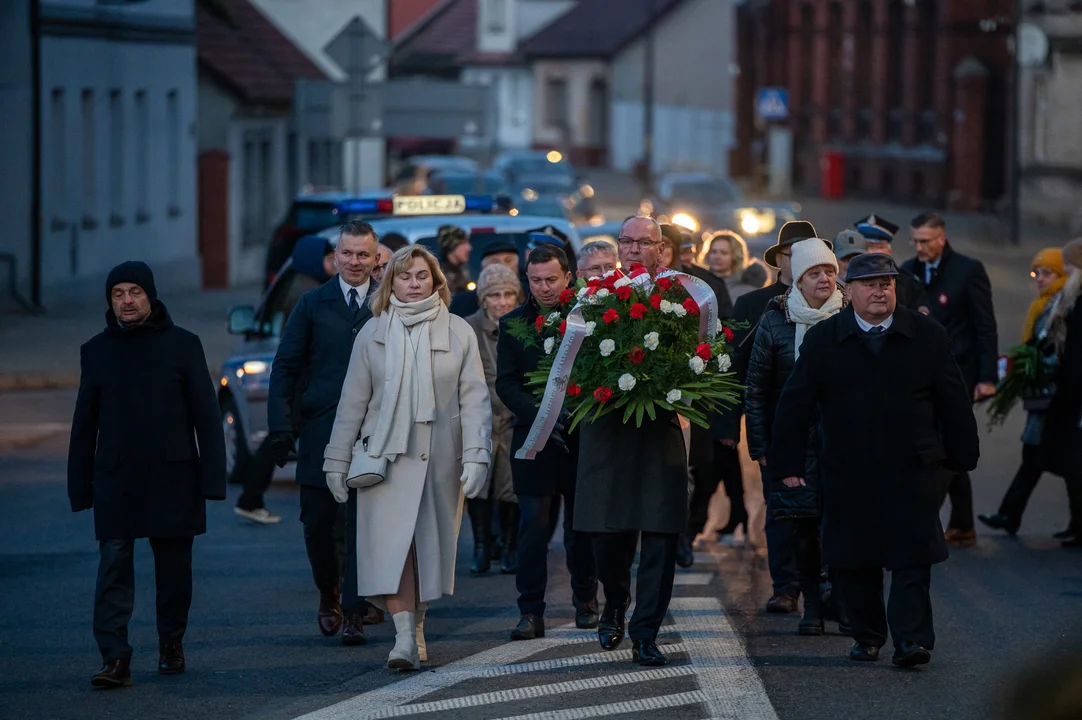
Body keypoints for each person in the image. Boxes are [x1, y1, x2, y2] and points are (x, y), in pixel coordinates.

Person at [770, 253, 979, 667]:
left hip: (913, 468)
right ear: (850, 292)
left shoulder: (926, 335)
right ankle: (867, 636)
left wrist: (960, 456)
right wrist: (788, 465)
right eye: (869, 284)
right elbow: (795, 405)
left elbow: (952, 400)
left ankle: (911, 641)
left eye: (887, 283)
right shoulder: (826, 339)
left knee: (912, 559)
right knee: (852, 559)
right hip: (849, 469)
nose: (880, 291)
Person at [322, 244, 492, 670]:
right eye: (404, 276)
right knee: (392, 548)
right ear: (389, 281)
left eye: (421, 276)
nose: (413, 284)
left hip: (440, 458)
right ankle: (402, 638)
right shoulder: (372, 332)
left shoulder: (458, 331)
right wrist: (336, 461)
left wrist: (476, 454)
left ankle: (416, 628)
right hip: (384, 457)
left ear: (436, 281)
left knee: (426, 549)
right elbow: (352, 403)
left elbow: (474, 399)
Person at [68, 261, 226, 687]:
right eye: (117, 294)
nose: (126, 301)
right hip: (117, 478)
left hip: (174, 476)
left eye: (134, 292)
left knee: (174, 571)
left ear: (151, 296)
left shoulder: (184, 345)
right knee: (113, 568)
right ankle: (114, 656)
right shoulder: (96, 351)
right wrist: (79, 485)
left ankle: (171, 643)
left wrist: (212, 480)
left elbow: (206, 418)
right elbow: (85, 423)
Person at [575, 215, 695, 667]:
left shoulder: (683, 295)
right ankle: (615, 602)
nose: (631, 249)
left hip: (659, 429)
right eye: (625, 240)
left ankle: (647, 632)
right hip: (608, 430)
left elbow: (702, 354)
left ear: (661, 250)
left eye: (643, 242)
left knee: (661, 538)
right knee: (609, 538)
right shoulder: (593, 295)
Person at [267, 220, 380, 645]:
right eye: (346, 254)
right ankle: (329, 592)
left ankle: (353, 610)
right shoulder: (312, 304)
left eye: (363, 255)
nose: (354, 262)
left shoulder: (388, 304)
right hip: (321, 432)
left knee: (359, 524)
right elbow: (286, 366)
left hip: (373, 434)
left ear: (374, 259)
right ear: (335, 258)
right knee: (317, 524)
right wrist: (281, 426)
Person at [497, 244, 599, 640]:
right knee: (533, 528)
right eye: (536, 280)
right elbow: (505, 381)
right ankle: (530, 611)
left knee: (580, 528)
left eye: (551, 279)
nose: (544, 288)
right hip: (534, 437)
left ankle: (586, 601)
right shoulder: (512, 324)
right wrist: (537, 412)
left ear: (568, 277)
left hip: (579, 435)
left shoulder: (586, 317)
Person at [719, 220, 821, 614]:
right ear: (779, 260)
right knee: (780, 506)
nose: (800, 263)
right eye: (792, 255)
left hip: (826, 427)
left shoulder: (835, 302)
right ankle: (785, 586)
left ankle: (822, 585)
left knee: (823, 508)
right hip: (778, 427)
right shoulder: (753, 305)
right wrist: (730, 426)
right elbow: (736, 371)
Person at [746, 239, 845, 635]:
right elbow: (756, 390)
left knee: (838, 523)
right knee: (800, 524)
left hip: (840, 440)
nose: (824, 279)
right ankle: (808, 604)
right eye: (814, 273)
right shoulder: (776, 320)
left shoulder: (849, 315)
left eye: (830, 271)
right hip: (792, 441)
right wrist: (761, 447)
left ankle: (836, 596)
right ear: (798, 279)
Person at [901, 212, 998, 547]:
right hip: (920, 374)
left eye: (925, 241)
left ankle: (924, 522)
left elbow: (985, 326)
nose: (919, 247)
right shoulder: (908, 271)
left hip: (959, 373)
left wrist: (987, 377)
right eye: (915, 240)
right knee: (950, 445)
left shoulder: (968, 271)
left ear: (942, 238)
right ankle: (962, 524)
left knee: (942, 445)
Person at [234, 235, 335, 524]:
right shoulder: (309, 291)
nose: (334, 264)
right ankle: (250, 497)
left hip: (299, 378)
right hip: (304, 379)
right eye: (328, 259)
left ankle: (251, 496)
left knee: (281, 436)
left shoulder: (300, 284)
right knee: (281, 436)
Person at [979, 248, 1072, 536]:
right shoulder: (1046, 303)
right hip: (1044, 394)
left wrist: (1035, 364)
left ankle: (1011, 514)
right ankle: (1011, 514)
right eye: (1037, 273)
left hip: (1053, 395)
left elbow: (1058, 349)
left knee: (1045, 457)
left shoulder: (1063, 304)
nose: (1041, 279)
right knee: (1039, 457)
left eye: (1048, 273)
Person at [464, 264, 523, 575]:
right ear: (483, 299)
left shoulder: (522, 325)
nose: (502, 302)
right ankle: (481, 546)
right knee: (479, 484)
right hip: (479, 418)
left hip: (512, 416)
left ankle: (509, 546)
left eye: (509, 295)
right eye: (495, 295)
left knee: (510, 484)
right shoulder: (467, 328)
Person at [1039, 238, 1082, 547]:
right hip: (1069, 394)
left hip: (1075, 396)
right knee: (1071, 463)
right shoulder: (1072, 299)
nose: (1065, 272)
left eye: (1069, 267)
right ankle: (1076, 522)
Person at [855, 215, 930, 313]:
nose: (870, 252)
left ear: (889, 251)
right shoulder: (846, 279)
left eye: (878, 247)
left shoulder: (909, 285)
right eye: (865, 247)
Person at [449, 239, 521, 317]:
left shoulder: (531, 296)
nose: (501, 265)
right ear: (483, 267)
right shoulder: (461, 304)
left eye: (508, 261)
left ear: (517, 265)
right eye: (495, 261)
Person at [705, 230, 764, 301]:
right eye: (714, 252)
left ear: (735, 256)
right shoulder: (697, 286)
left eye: (724, 253)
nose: (717, 257)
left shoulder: (748, 292)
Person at [438, 225, 472, 294]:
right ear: (451, 246)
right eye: (463, 243)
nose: (469, 248)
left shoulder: (463, 270)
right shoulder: (439, 275)